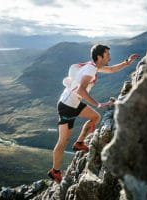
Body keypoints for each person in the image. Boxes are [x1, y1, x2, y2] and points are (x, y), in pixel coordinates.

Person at [47, 44, 139, 183]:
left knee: (95, 117)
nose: (110, 57)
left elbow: (112, 69)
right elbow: (80, 90)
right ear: (99, 56)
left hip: (74, 103)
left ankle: (79, 143)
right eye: (107, 54)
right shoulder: (90, 69)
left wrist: (127, 62)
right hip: (66, 106)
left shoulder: (94, 66)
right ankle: (55, 171)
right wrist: (99, 104)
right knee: (63, 141)